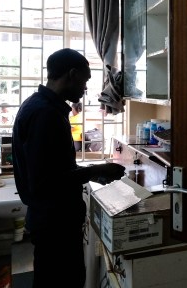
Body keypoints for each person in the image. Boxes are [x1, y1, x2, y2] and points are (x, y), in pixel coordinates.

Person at [12, 48, 125, 288]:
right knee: (63, 281)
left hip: (49, 221)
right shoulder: (45, 115)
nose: (85, 88)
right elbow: (45, 182)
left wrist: (93, 172)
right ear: (72, 75)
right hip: (55, 226)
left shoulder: (39, 105)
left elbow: (53, 167)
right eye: (84, 80)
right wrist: (95, 171)